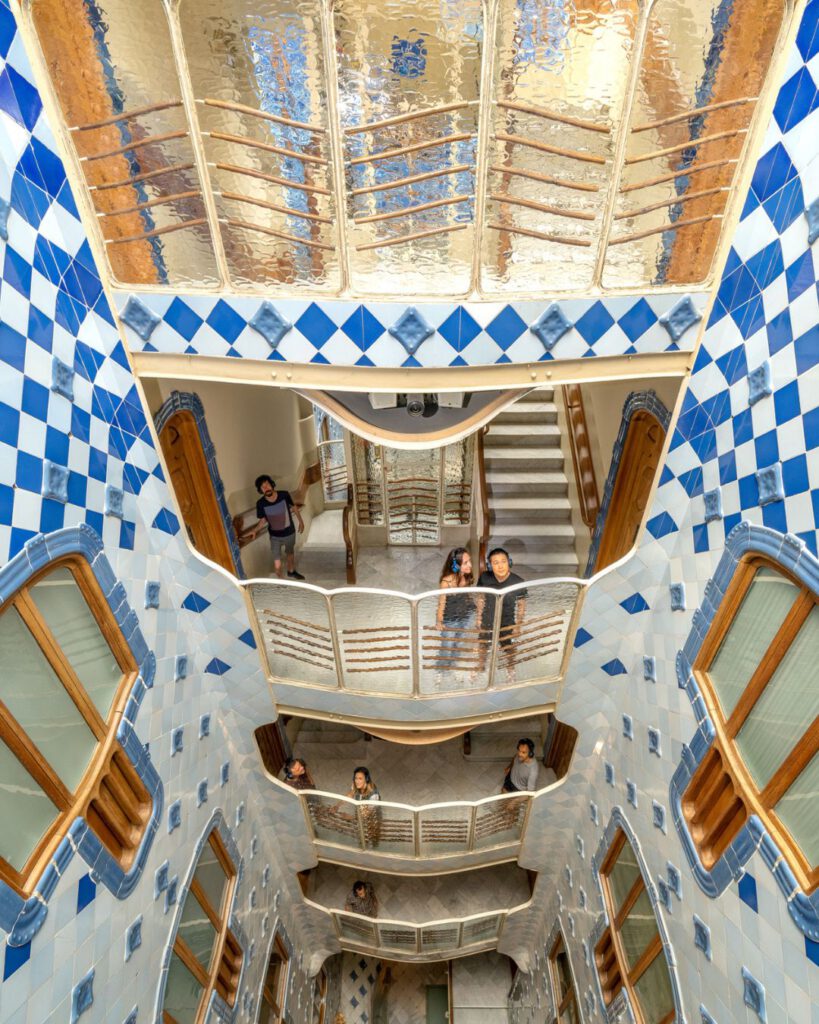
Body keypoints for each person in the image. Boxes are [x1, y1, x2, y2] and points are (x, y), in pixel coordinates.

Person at [477, 547, 527, 675]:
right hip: (488, 619)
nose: (500, 566)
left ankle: (510, 668)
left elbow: (522, 606)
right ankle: (480, 666)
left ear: (509, 562)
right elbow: (481, 598)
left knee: (508, 648)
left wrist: (518, 625)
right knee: (483, 645)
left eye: (503, 561)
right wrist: (478, 618)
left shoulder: (518, 582)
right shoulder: (484, 577)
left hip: (507, 621)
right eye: (496, 563)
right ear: (490, 565)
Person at [249, 474, 305, 580]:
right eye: (263, 487)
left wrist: (301, 522)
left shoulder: (284, 495)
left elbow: (294, 507)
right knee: (277, 562)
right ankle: (281, 579)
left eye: (267, 484)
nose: (266, 488)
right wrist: (255, 530)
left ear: (272, 485)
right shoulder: (260, 503)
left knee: (290, 553)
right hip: (275, 536)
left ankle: (291, 571)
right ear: (260, 490)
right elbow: (263, 520)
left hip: (289, 532)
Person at [435, 547, 477, 672]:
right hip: (450, 618)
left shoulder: (467, 576)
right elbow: (441, 603)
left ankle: (452, 664)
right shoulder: (446, 582)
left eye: (469, 561)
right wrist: (439, 621)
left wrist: (474, 613)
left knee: (459, 643)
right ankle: (441, 669)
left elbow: (468, 595)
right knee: (447, 646)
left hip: (466, 614)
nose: (470, 565)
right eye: (465, 563)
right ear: (455, 565)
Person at [348, 766, 381, 848]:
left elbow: (368, 813)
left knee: (373, 835)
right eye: (356, 778)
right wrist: (337, 805)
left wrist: (351, 818)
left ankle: (374, 848)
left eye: (360, 779)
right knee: (361, 835)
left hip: (372, 816)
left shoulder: (373, 793)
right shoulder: (356, 785)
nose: (357, 781)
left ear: (366, 779)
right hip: (360, 813)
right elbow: (350, 794)